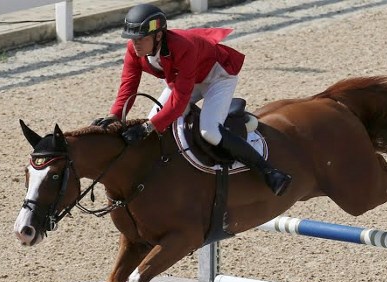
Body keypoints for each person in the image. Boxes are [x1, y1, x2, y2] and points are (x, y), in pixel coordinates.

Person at [95, 4, 291, 196]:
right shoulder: (134, 50)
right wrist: (116, 115)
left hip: (217, 77)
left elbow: (180, 101)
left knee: (209, 131)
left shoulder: (183, 47)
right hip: (187, 79)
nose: (135, 43)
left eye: (141, 38)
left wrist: (147, 127)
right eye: (132, 38)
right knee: (154, 120)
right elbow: (128, 84)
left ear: (158, 35)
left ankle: (269, 172)